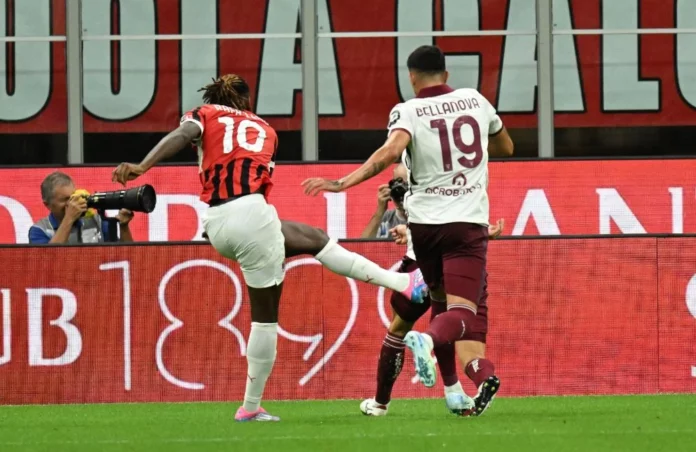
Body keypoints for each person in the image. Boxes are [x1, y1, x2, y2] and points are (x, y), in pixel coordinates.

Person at [111, 74, 428, 423]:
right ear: (247, 102)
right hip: (251, 214)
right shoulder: (267, 130)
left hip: (217, 220)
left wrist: (143, 166)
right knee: (265, 319)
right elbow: (251, 178)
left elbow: (183, 136)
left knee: (313, 238)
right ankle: (250, 407)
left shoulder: (203, 114)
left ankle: (403, 284)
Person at [303, 45, 514, 416]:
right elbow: (506, 146)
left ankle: (417, 397)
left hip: (423, 233)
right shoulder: (476, 100)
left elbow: (389, 152)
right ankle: (428, 345)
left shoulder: (408, 111)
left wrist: (341, 183)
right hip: (465, 225)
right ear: (446, 75)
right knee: (463, 314)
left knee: (434, 307)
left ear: (411, 77)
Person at [359, 163, 505, 417]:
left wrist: (407, 224)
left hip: (421, 265)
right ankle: (466, 386)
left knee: (398, 330)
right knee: (465, 338)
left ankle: (381, 403)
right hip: (465, 266)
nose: (398, 188)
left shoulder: (418, 171)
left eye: (400, 183)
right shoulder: (460, 177)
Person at [28, 171, 134, 244]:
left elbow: (125, 255)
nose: (72, 203)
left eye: (73, 197)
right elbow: (48, 260)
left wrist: (124, 227)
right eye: (65, 200)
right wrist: (69, 218)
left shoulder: (96, 220)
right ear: (48, 205)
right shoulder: (39, 230)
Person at [360, 165, 408, 239]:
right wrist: (380, 210)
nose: (401, 191)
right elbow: (362, 246)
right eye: (398, 184)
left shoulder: (428, 216)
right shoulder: (386, 217)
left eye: (406, 185)